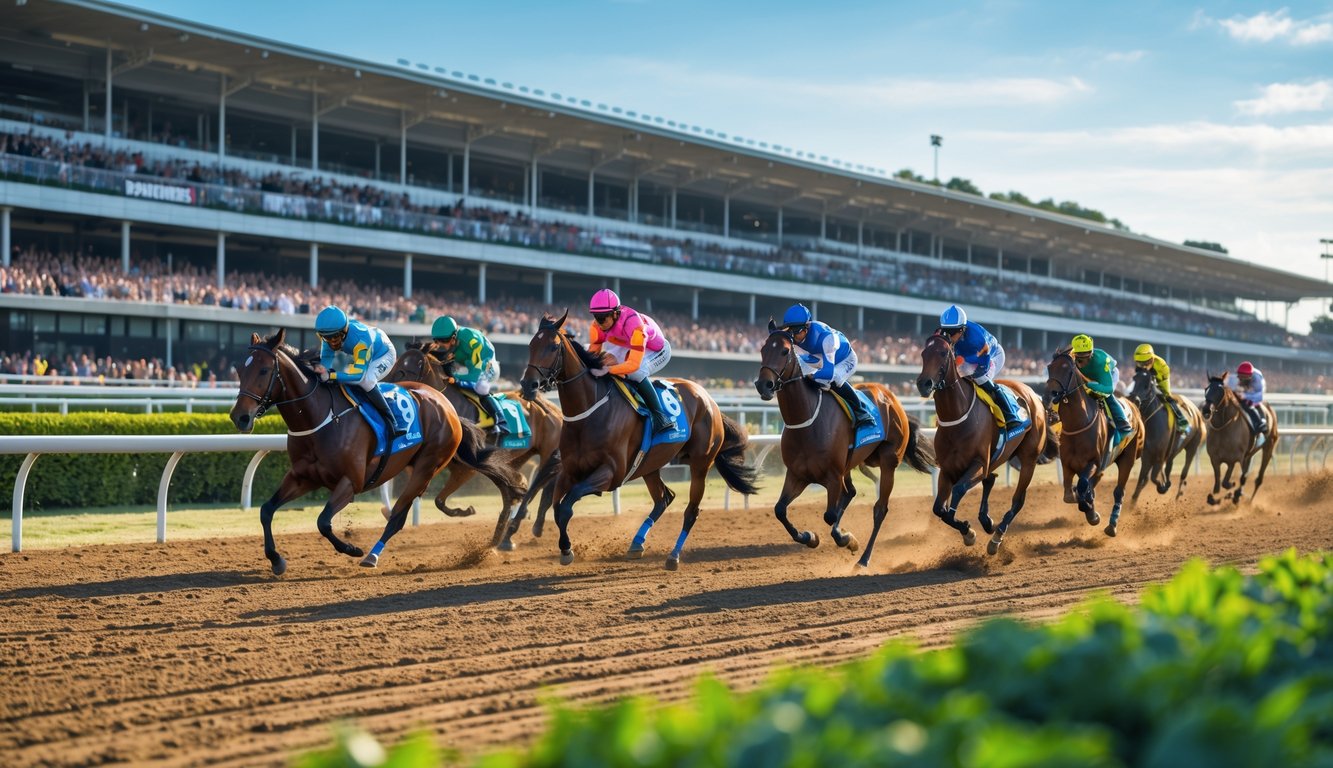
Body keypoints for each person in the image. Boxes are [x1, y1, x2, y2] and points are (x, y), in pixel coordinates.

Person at [586, 288, 675, 432]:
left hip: (657, 349)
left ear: (615, 313)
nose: (599, 322)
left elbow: (633, 365)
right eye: (596, 317)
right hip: (627, 343)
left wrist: (609, 370)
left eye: (603, 318)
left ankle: (660, 416)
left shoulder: (634, 325)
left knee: (636, 372)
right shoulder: (596, 326)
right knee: (604, 360)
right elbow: (592, 355)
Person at [313, 305, 404, 439]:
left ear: (344, 331)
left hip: (383, 353)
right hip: (368, 350)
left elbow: (359, 376)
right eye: (328, 338)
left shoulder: (360, 338)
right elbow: (325, 364)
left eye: (336, 337)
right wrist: (321, 372)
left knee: (366, 380)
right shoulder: (328, 337)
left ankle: (392, 422)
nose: (332, 341)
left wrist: (331, 375)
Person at [778, 302, 875, 429]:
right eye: (790, 331)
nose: (793, 336)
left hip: (844, 360)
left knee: (834, 379)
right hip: (817, 358)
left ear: (807, 327)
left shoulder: (826, 338)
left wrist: (812, 376)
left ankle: (862, 412)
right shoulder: (794, 335)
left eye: (797, 331)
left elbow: (828, 373)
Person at [938, 305, 1022, 430]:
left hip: (991, 355)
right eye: (945, 331)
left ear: (961, 330)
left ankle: (1011, 415)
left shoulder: (976, 340)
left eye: (951, 332)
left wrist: (971, 373)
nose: (947, 335)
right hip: (968, 354)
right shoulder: (951, 332)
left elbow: (983, 365)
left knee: (981, 380)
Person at [430, 315, 507, 435]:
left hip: (486, 366)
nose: (440, 344)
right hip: (466, 365)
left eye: (444, 341)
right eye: (436, 340)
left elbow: (475, 376)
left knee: (480, 387)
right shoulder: (446, 342)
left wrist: (455, 379)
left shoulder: (471, 339)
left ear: (454, 336)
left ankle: (501, 422)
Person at [1071, 334, 1133, 435]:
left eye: (1085, 358)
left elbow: (1108, 389)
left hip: (1108, 374)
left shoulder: (1100, 362)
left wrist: (1090, 386)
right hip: (1089, 375)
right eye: (1079, 359)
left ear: (1091, 354)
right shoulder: (1071, 357)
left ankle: (1123, 424)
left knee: (1107, 397)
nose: (1081, 363)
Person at [1133, 343, 1189, 435]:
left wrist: (1153, 383)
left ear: (1151, 359)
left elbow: (1157, 381)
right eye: (1139, 363)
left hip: (1161, 379)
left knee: (1167, 397)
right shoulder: (1141, 362)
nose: (1142, 365)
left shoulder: (1161, 365)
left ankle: (1181, 421)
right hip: (1147, 377)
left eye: (1145, 363)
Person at [1233, 361, 1268, 434]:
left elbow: (1259, 396)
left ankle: (1260, 422)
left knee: (1250, 401)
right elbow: (1237, 387)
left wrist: (1246, 396)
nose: (1240, 380)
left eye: (1242, 378)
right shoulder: (1243, 376)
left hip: (1257, 389)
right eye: (1239, 377)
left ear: (1249, 377)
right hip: (1249, 381)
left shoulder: (1257, 379)